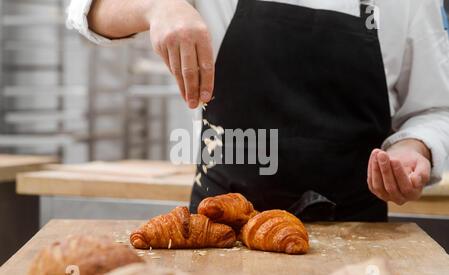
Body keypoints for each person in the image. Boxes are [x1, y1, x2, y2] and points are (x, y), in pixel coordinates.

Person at [67, 0, 449, 221]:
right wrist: (158, 6)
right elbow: (87, 10)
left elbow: (436, 109)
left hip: (356, 247)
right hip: (220, 233)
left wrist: (414, 148)